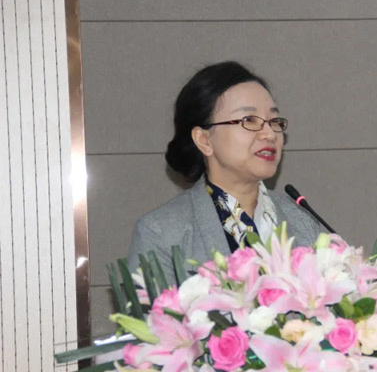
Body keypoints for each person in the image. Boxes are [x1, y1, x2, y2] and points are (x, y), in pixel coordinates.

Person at [127, 61, 325, 284]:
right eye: (249, 120)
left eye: (274, 121)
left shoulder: (303, 223)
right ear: (204, 140)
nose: (269, 133)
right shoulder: (161, 233)